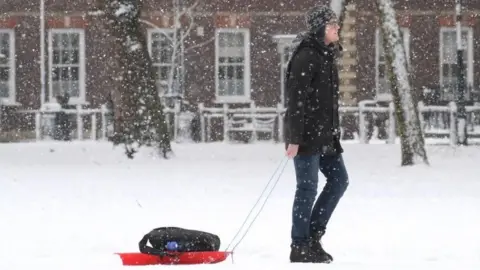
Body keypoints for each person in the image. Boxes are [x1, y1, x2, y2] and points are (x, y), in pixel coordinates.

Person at [283, 5, 349, 264]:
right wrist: (294, 139)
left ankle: (313, 236)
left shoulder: (327, 54)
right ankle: (299, 246)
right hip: (307, 137)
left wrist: (333, 131)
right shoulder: (306, 56)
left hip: (327, 137)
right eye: (333, 24)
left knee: (339, 181)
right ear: (321, 28)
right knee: (307, 189)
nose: (337, 28)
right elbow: (295, 100)